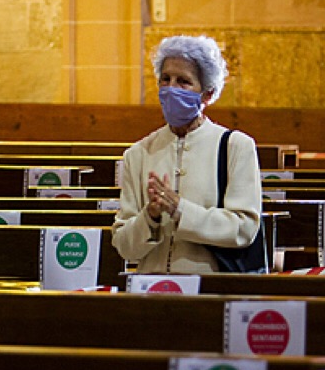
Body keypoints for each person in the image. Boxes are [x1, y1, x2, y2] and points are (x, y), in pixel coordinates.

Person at [112, 35, 262, 273]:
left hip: (211, 289)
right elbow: (124, 246)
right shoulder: (138, 154)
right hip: (151, 290)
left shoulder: (236, 146)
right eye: (165, 79)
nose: (171, 88)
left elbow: (244, 229)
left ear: (207, 94)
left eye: (183, 81)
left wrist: (181, 210)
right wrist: (149, 217)